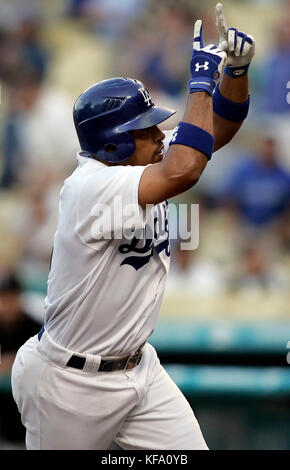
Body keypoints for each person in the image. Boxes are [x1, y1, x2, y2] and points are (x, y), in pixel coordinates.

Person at [11, 4, 255, 450]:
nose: (160, 135)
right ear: (114, 141)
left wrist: (233, 75)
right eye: (146, 129)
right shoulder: (90, 187)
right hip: (71, 383)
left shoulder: (141, 166)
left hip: (140, 371)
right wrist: (199, 84)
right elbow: (186, 168)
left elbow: (214, 129)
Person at [0, 272, 41, 443]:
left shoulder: (33, 326)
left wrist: (13, 361)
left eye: (12, 297)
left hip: (29, 397)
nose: (8, 304)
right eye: (4, 298)